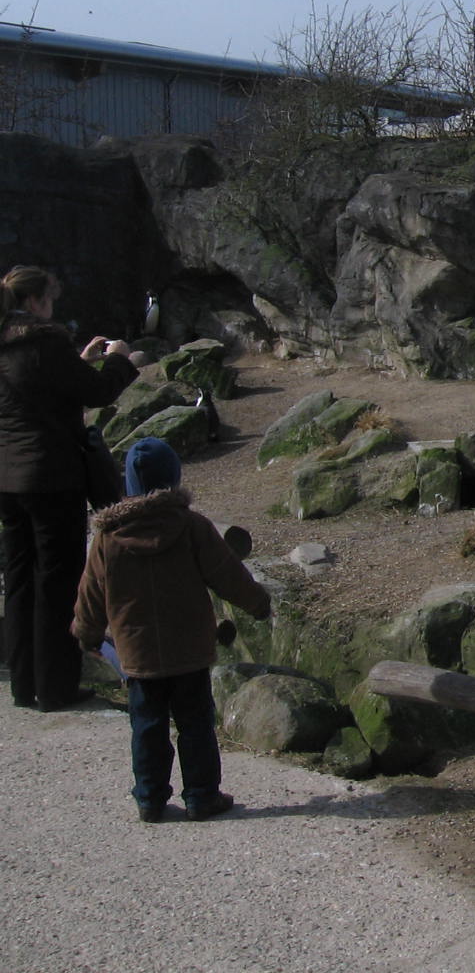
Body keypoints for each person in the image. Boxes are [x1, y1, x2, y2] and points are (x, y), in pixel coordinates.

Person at [72, 438, 271, 823]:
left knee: (147, 725)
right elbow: (228, 574)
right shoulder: (192, 527)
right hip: (190, 649)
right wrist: (259, 604)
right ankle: (201, 795)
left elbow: (91, 593)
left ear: (127, 483)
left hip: (137, 653)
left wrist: (86, 633)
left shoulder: (108, 540)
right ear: (174, 478)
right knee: (196, 723)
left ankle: (149, 798)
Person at [0, 265, 137, 711]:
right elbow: (96, 392)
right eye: (52, 299)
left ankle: (24, 685)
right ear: (37, 301)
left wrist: (77, 361)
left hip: (7, 477)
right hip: (50, 476)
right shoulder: (43, 339)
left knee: (19, 581)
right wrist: (119, 358)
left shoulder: (9, 341)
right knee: (57, 584)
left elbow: (31, 390)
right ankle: (56, 688)